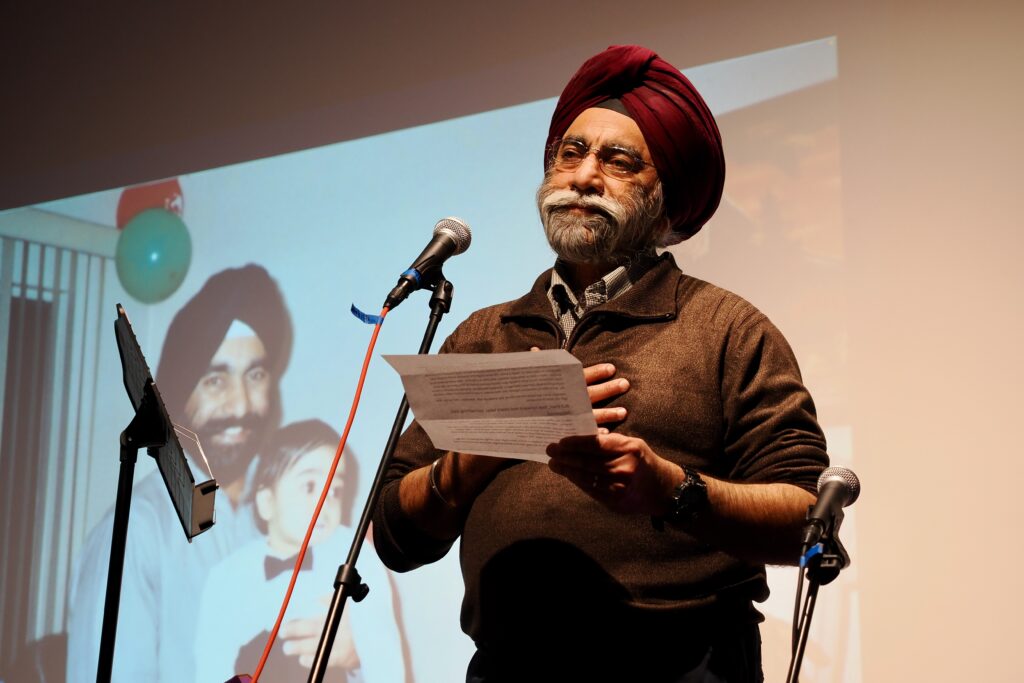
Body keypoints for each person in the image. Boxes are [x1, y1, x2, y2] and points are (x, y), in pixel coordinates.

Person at [372, 45, 830, 682]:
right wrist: (476, 454)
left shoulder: (726, 328)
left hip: (682, 665)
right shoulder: (485, 334)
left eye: (618, 161)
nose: (584, 176)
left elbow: (808, 519)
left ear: (666, 200)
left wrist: (671, 491)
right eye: (571, 153)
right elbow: (394, 533)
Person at [65, 265, 293, 682]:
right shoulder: (138, 531)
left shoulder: (276, 514)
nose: (241, 405)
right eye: (215, 380)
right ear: (183, 389)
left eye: (256, 375)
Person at [195, 420, 405, 682]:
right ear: (267, 502)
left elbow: (388, 661)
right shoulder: (226, 576)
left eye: (335, 491)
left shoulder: (355, 555)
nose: (325, 502)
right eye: (309, 486)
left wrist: (356, 655)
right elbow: (211, 667)